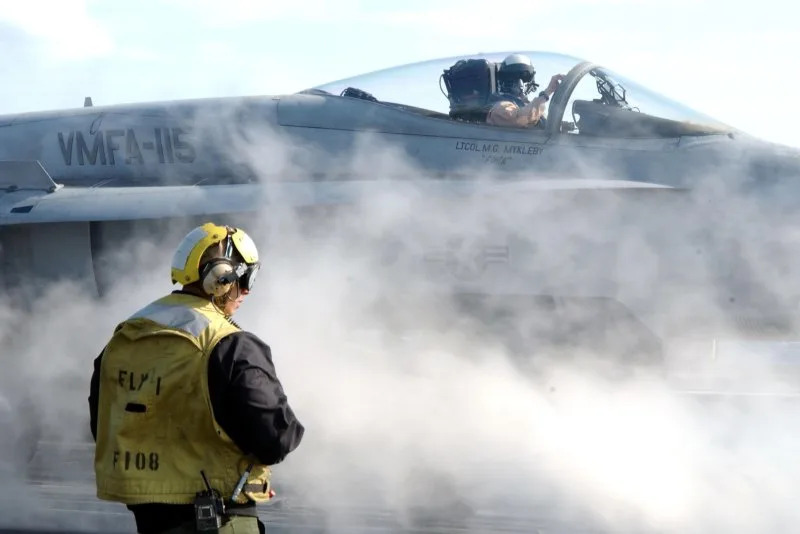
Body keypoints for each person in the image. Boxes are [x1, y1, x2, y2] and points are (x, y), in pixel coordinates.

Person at [89, 222, 304, 534]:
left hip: (148, 519)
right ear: (223, 277)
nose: (246, 291)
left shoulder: (125, 337)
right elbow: (276, 437)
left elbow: (104, 420)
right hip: (220, 517)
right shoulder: (228, 344)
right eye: (247, 279)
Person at [486, 53, 565, 128]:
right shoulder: (500, 107)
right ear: (503, 80)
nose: (520, 83)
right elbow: (519, 118)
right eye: (513, 78)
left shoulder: (525, 106)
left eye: (525, 78)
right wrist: (546, 93)